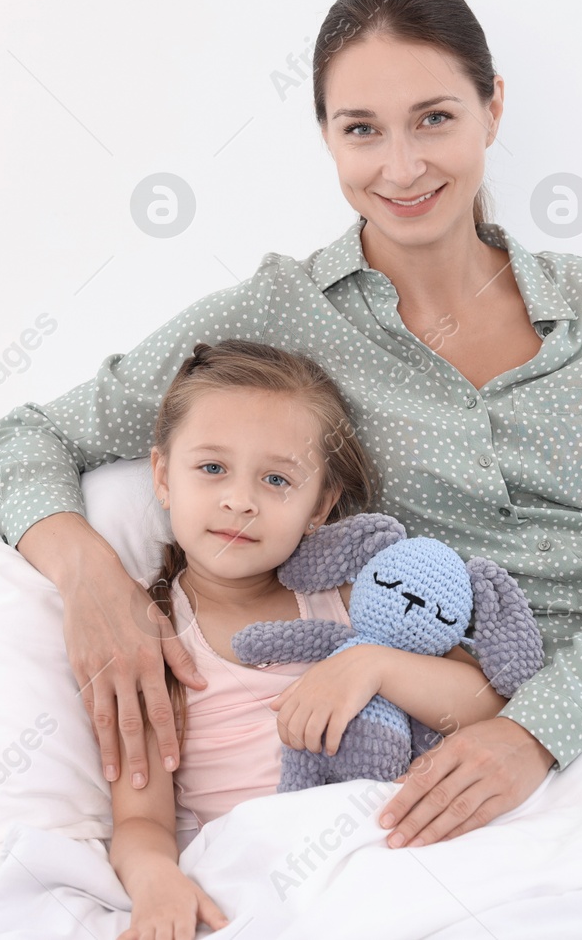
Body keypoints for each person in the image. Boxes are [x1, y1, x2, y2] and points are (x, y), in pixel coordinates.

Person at [0, 0, 582, 853]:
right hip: (415, 742)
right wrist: (96, 583)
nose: (401, 168)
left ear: (494, 108)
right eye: (361, 130)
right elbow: (29, 437)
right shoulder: (280, 312)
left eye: (435, 118)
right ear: (326, 137)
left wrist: (534, 733)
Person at [112, 338, 512, 939]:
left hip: (392, 845)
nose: (239, 500)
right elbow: (140, 820)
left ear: (320, 504)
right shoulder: (149, 639)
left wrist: (374, 666)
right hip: (267, 871)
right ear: (164, 476)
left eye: (276, 479)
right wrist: (154, 880)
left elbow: (487, 706)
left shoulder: (355, 600)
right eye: (212, 467)